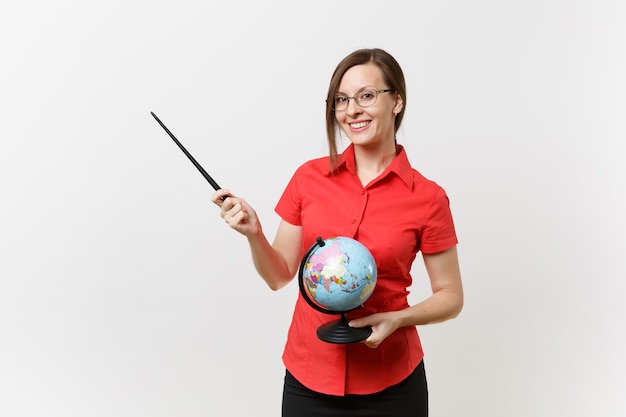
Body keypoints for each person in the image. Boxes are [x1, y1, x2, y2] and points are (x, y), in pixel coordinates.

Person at [211, 48, 463, 417]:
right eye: (341, 100)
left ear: (397, 101)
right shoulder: (308, 179)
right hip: (309, 376)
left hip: (392, 382)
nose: (352, 110)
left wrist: (398, 319)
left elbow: (451, 296)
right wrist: (254, 233)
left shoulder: (428, 198)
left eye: (366, 96)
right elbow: (279, 276)